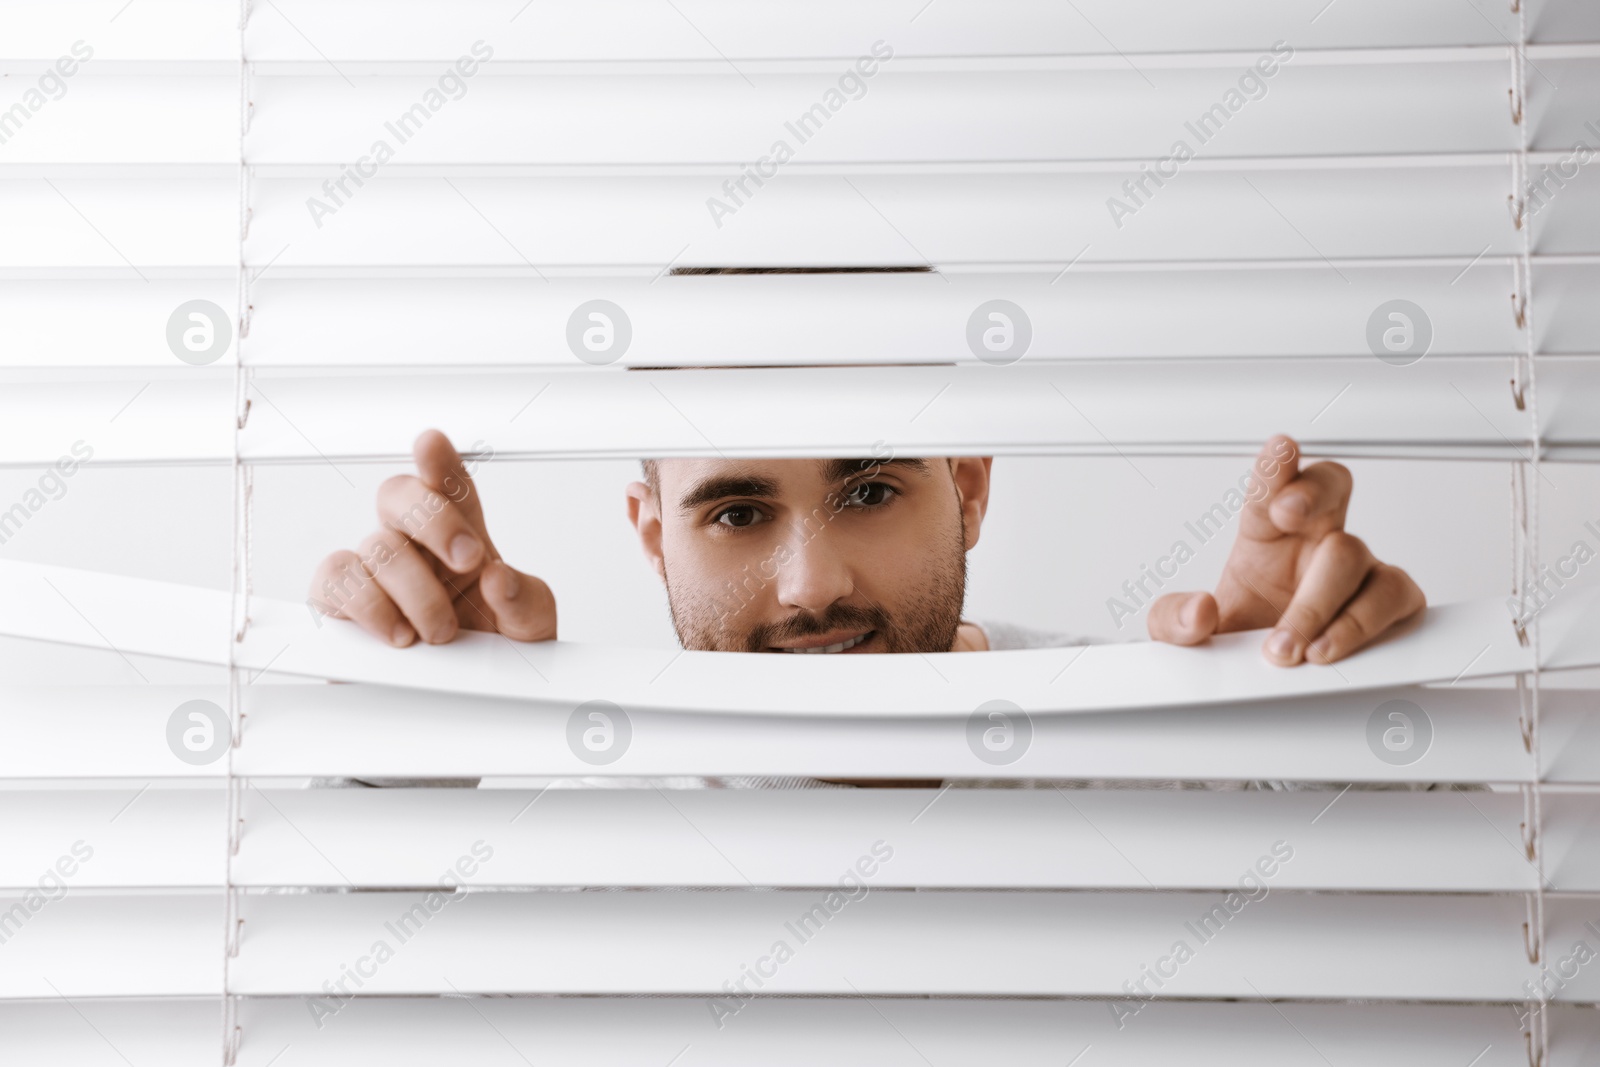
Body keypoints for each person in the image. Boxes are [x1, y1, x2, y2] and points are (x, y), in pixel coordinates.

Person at [308, 429, 1425, 664]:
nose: (813, 586)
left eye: (871, 489)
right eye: (737, 513)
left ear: (970, 490)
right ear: (654, 537)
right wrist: (425, 725)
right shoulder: (587, 826)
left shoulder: (1124, 745)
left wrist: (1280, 720)